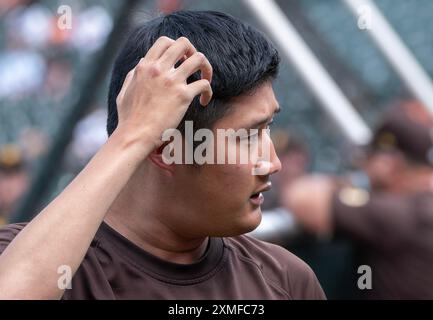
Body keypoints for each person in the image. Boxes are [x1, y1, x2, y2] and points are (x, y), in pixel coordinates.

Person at [0, 11, 325, 300]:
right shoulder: (26, 260)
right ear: (166, 148)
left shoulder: (284, 281)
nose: (273, 163)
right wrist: (134, 133)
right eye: (249, 135)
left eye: (268, 128)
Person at [283, 100, 433, 299]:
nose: (364, 168)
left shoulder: (405, 213)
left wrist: (341, 186)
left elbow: (303, 198)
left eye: (369, 159)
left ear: (389, 165)